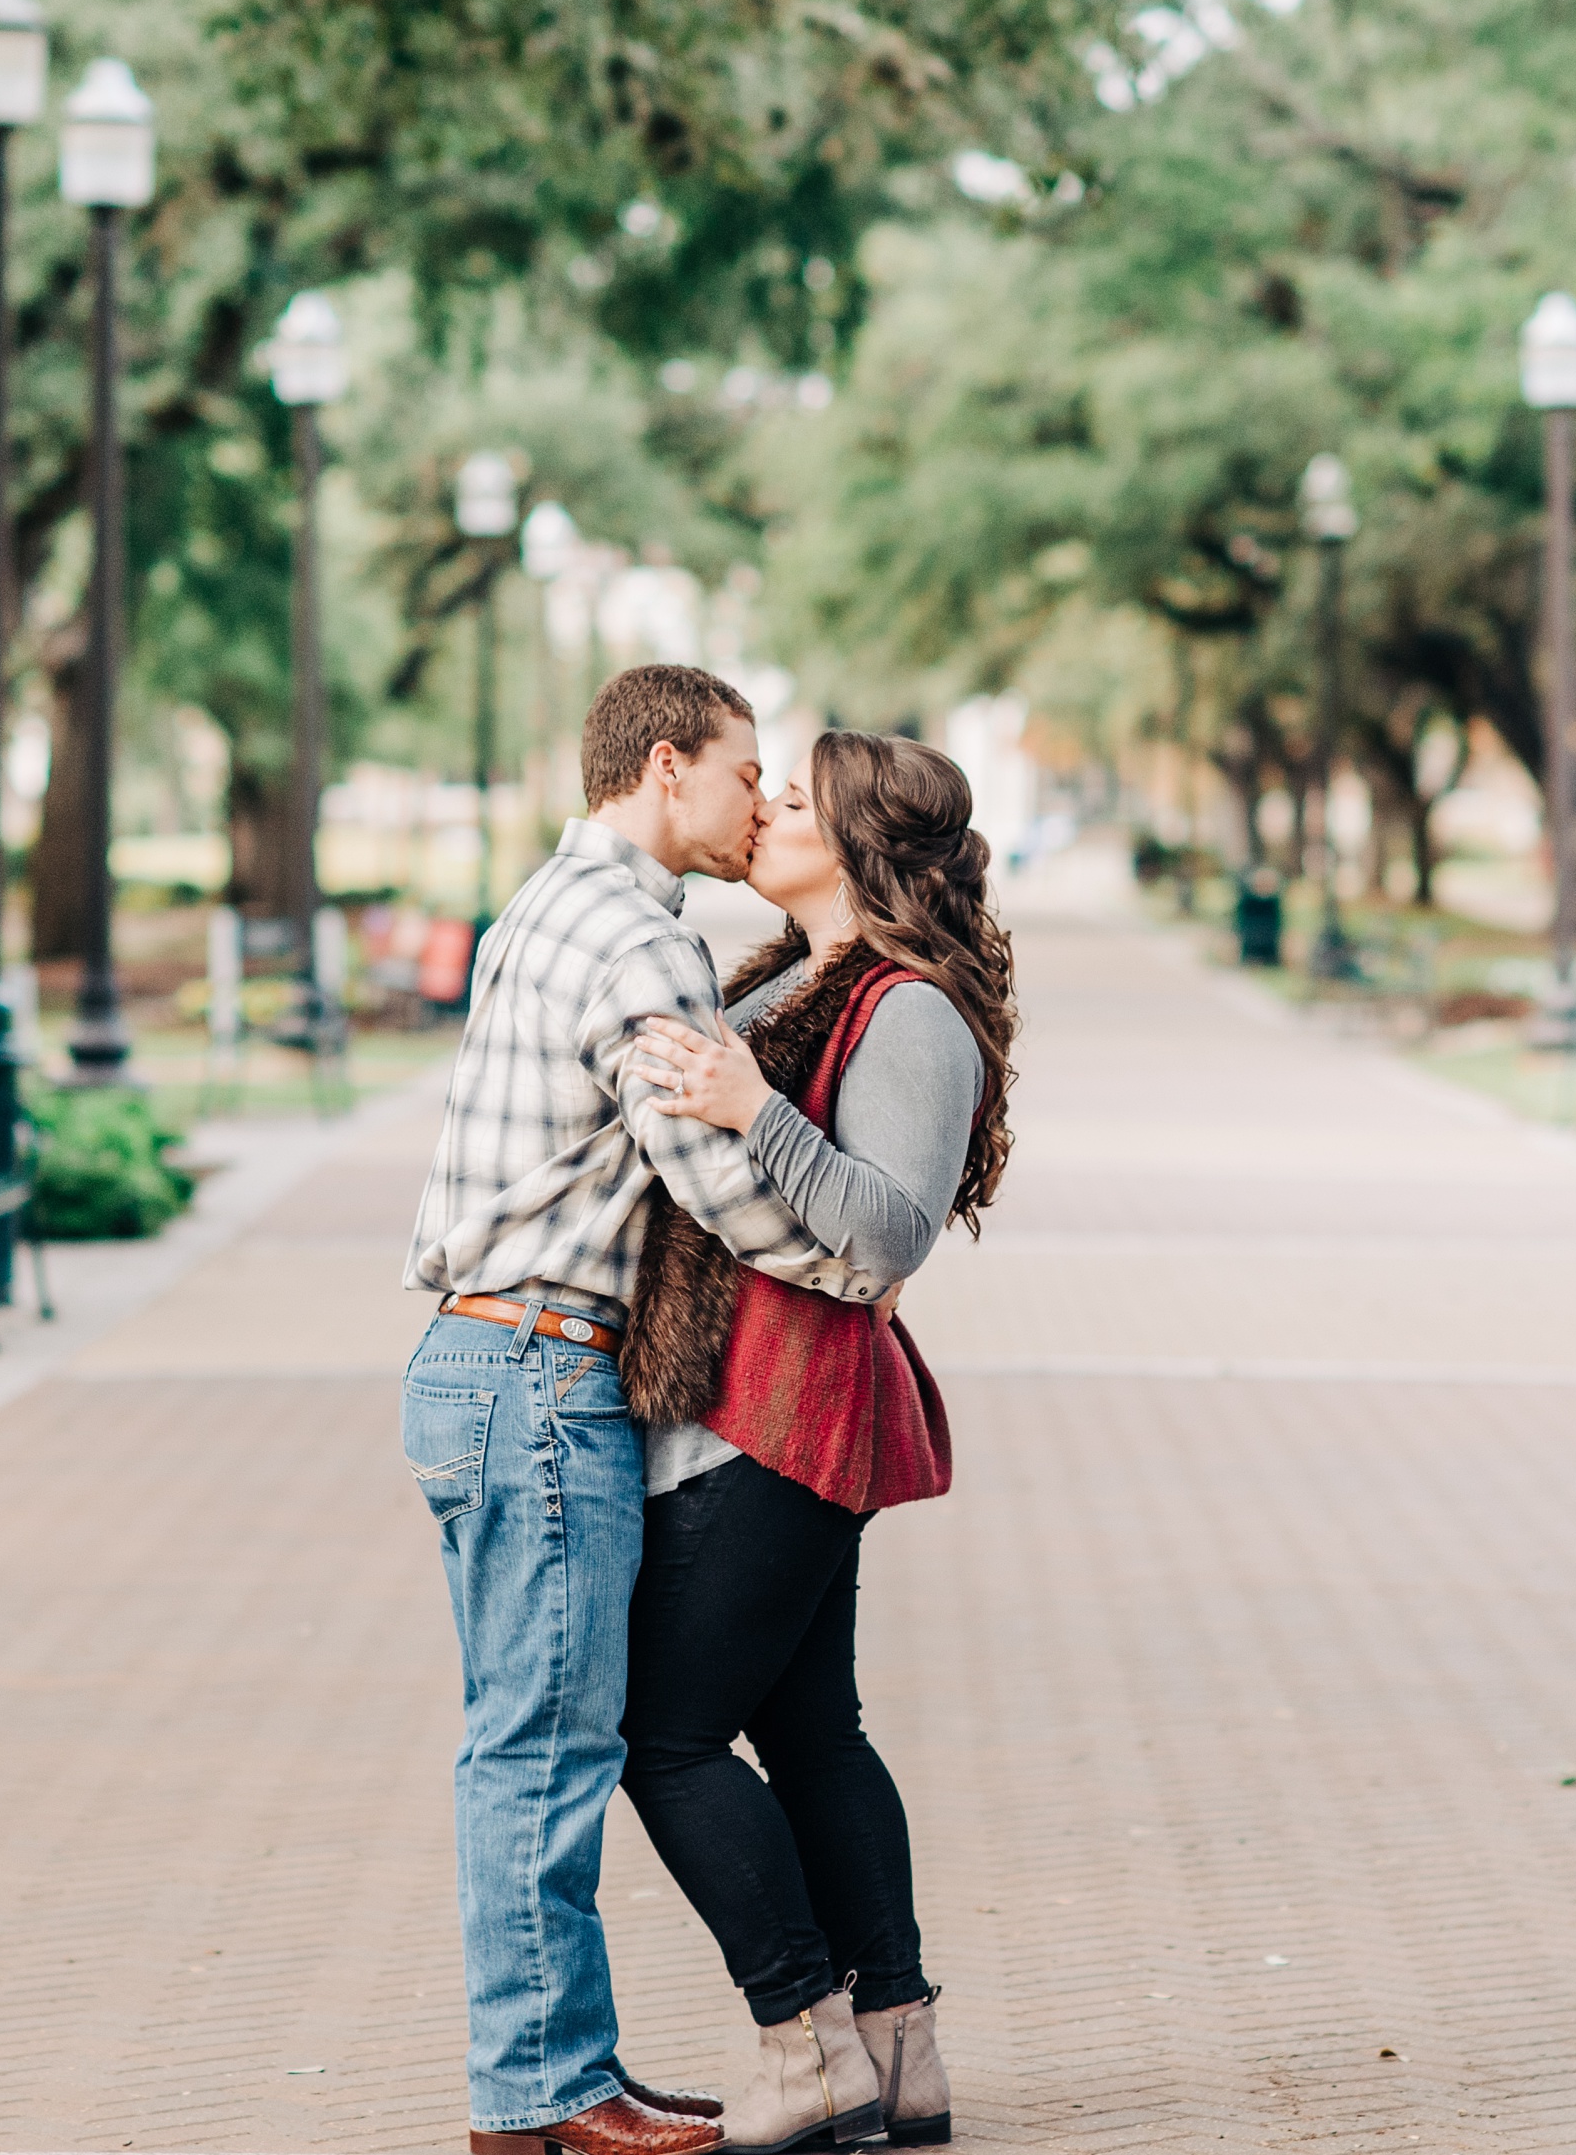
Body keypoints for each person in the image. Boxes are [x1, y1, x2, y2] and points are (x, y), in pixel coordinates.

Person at [404, 666, 905, 2155]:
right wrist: (857, 1260)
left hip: (477, 1364)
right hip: (543, 1373)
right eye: (747, 773)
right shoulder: (639, 944)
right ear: (669, 767)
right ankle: (547, 2096)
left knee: (530, 1741)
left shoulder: (545, 908)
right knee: (548, 1750)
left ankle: (558, 2076)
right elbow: (717, 1181)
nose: (762, 803)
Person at [617, 731, 1018, 2155]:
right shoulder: (790, 974)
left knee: (659, 1735)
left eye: (793, 800)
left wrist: (751, 1109)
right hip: (750, 1398)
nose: (765, 810)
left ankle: (807, 2043)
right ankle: (900, 2055)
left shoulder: (905, 1009)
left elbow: (889, 1225)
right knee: (806, 1726)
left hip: (785, 1414)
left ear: (857, 844)